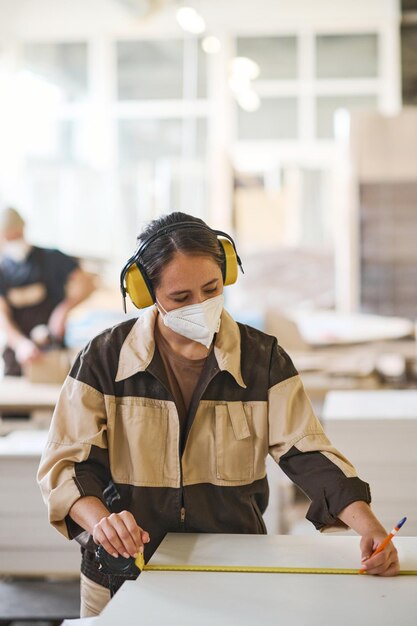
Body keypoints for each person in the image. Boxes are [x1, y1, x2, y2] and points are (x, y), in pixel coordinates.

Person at [37, 212, 399, 618]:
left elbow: (307, 453)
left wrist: (369, 527)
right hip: (123, 574)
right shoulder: (104, 359)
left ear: (226, 275)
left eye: (210, 289)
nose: (200, 306)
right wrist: (103, 522)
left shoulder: (263, 360)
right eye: (180, 298)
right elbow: (68, 464)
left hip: (232, 568)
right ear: (146, 293)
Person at [0, 207, 95, 378]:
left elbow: (88, 283)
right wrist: (20, 344)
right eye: (7, 235)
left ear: (22, 228)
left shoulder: (52, 258)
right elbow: (3, 315)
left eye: (14, 233)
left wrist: (63, 310)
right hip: (18, 357)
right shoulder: (3, 270)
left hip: (52, 351)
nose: (11, 239)